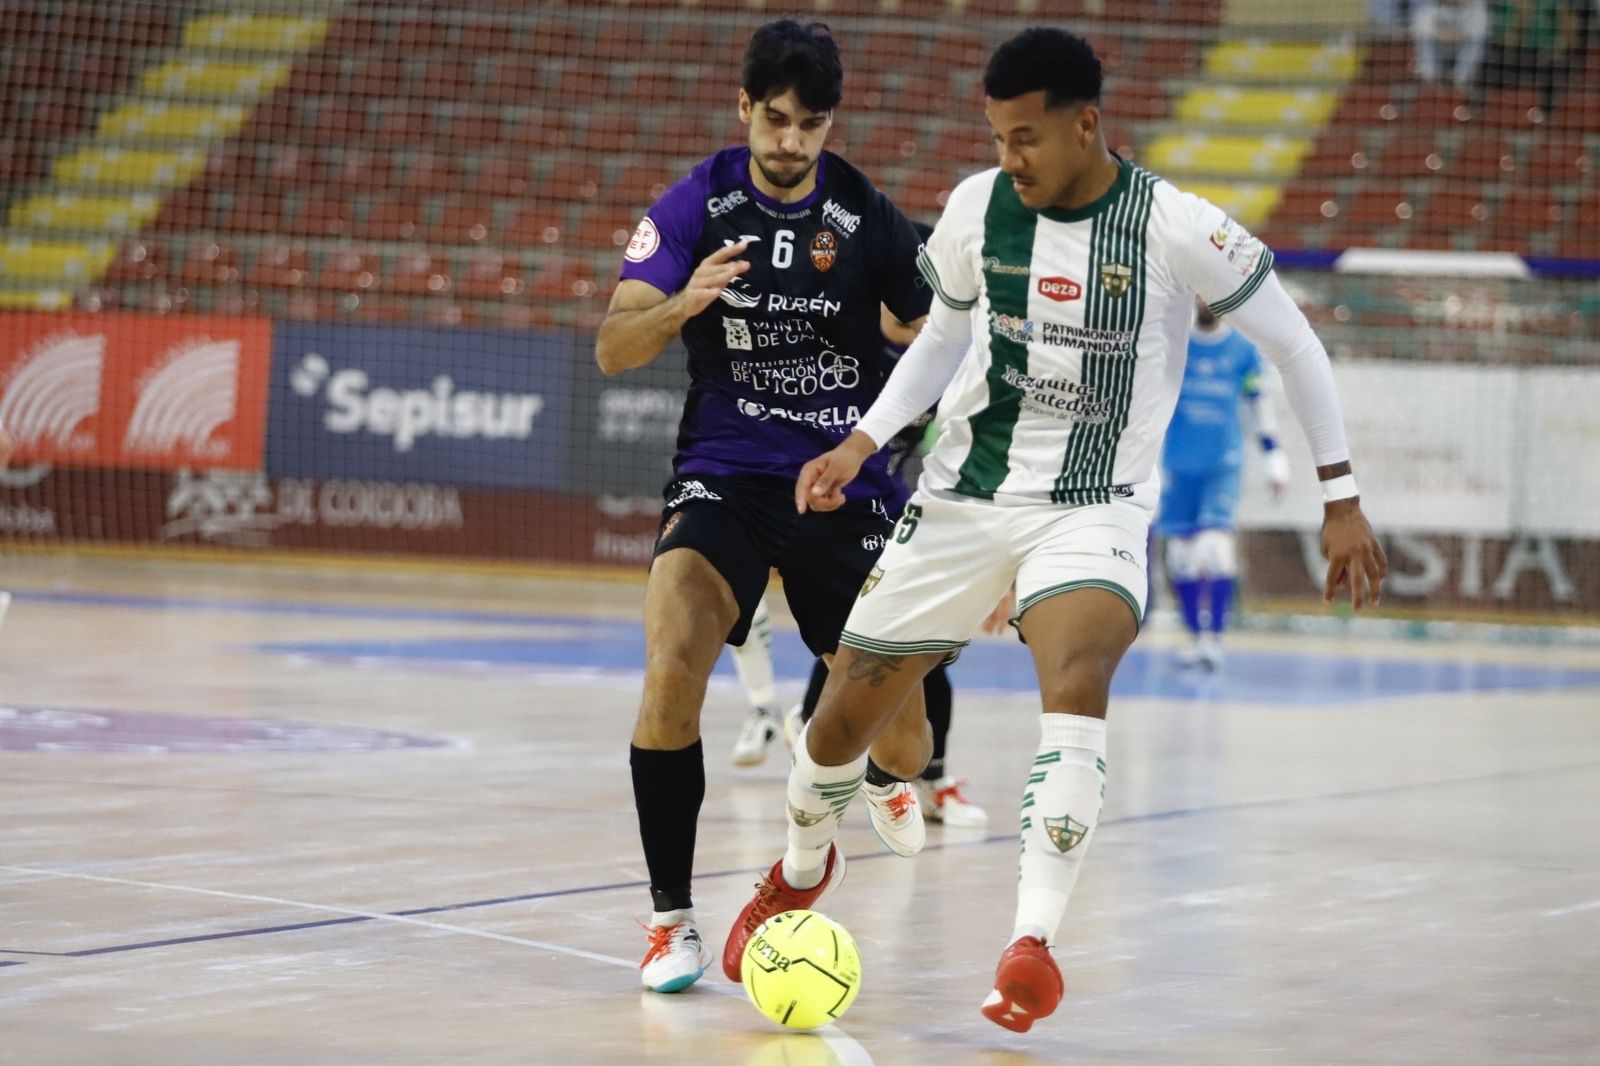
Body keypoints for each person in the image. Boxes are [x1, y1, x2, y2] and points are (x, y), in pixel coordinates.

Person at [721, 27, 1388, 1031]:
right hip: (960, 501)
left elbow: (1292, 341)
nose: (1008, 159)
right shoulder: (975, 208)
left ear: (1087, 125)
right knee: (835, 730)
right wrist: (861, 443)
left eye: (1026, 137)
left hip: (1094, 509)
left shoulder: (1174, 227)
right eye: (996, 137)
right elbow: (942, 334)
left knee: (1074, 689)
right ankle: (800, 867)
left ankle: (1029, 946)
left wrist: (1338, 496)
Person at [594, 19, 937, 995]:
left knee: (907, 742)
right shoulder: (694, 202)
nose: (790, 142)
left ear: (833, 123)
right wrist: (682, 303)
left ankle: (872, 775)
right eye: (774, 119)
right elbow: (614, 347)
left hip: (842, 483)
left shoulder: (869, 220)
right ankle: (671, 923)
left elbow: (941, 343)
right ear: (743, 107)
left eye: (810, 124)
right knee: (671, 659)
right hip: (726, 474)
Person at [1158, 298, 1291, 670]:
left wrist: (1274, 460)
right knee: (1182, 558)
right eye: (1198, 293)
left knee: (1213, 550)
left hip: (1222, 465)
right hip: (1177, 466)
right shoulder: (1174, 343)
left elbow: (1258, 406)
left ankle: (1214, 638)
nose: (1205, 301)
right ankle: (1195, 638)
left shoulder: (1243, 350)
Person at [1411, 0, 1491, 92]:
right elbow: (1423, 29)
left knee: (1475, 42)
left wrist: (1445, 34)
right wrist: (1450, 35)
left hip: (1462, 51)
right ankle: (1431, 81)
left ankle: (1462, 81)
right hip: (1439, 49)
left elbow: (1477, 32)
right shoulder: (1429, 3)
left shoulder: (1477, 3)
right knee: (1425, 40)